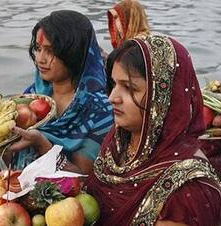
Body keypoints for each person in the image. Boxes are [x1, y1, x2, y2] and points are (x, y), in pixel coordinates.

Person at [84, 35, 221, 225]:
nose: (112, 98)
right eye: (114, 84)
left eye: (129, 88)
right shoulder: (118, 141)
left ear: (163, 98)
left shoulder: (187, 190)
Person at [7, 10, 113, 174]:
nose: (40, 59)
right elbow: (11, 156)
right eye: (38, 48)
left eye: (50, 51)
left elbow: (83, 178)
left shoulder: (98, 110)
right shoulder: (33, 95)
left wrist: (42, 144)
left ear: (74, 53)